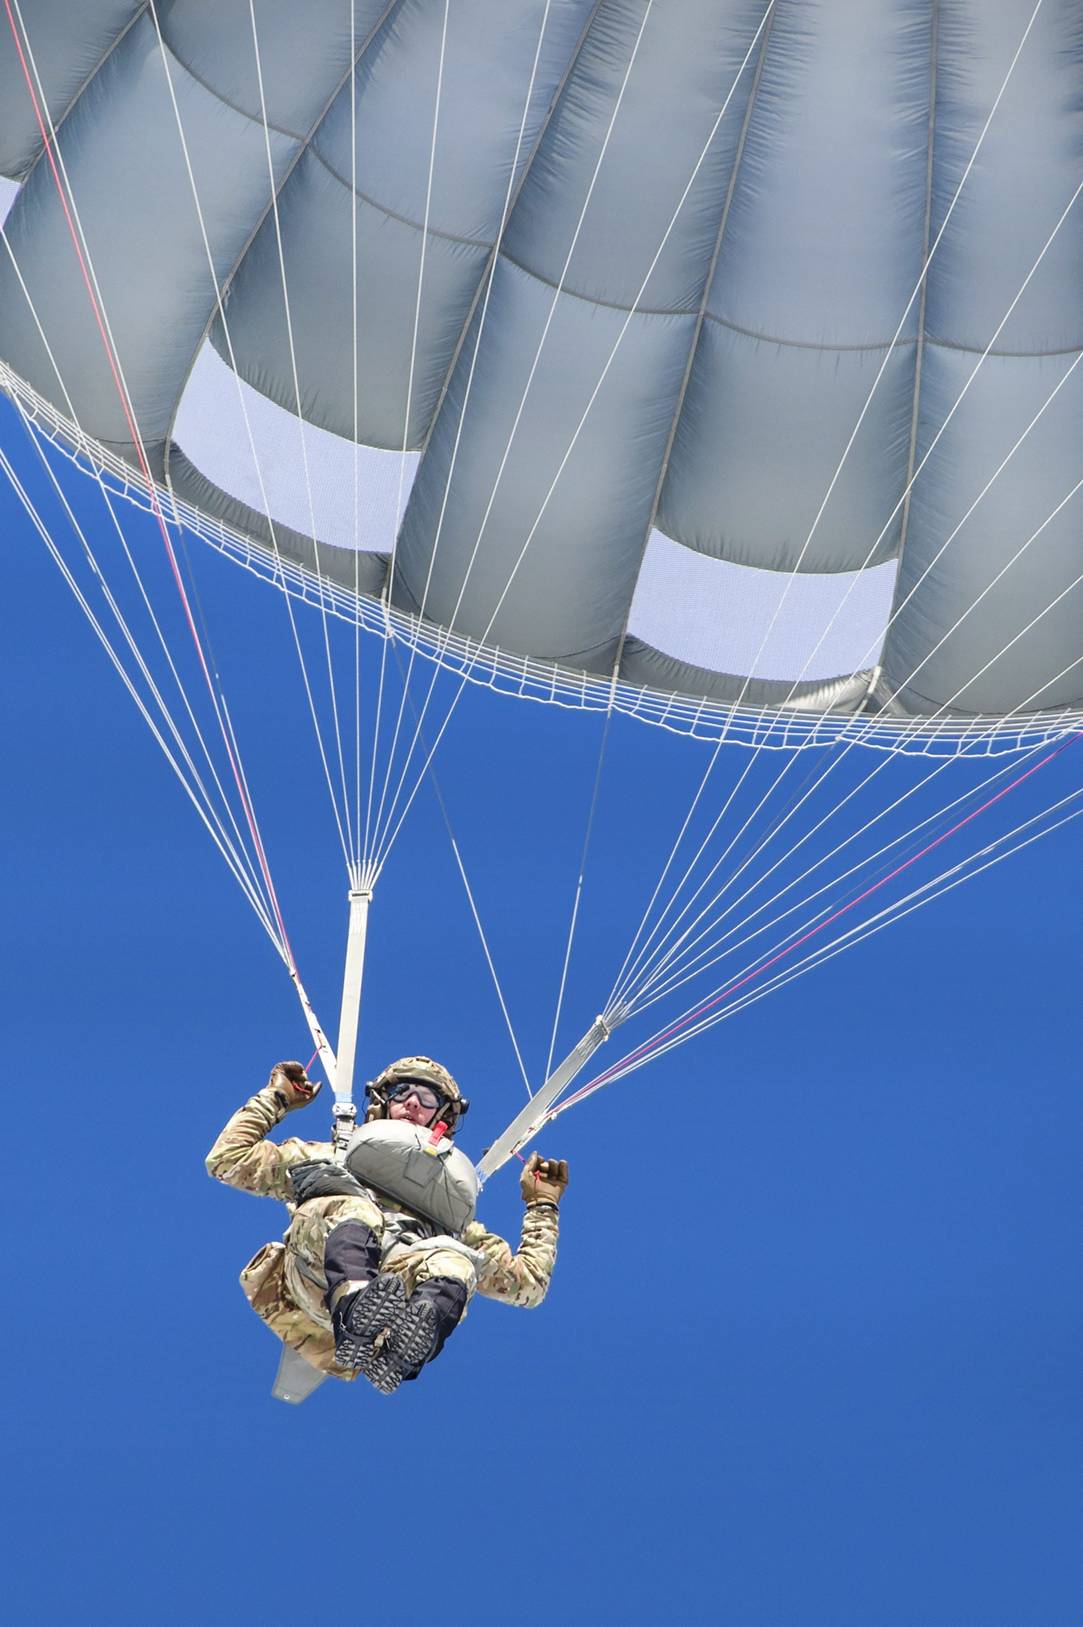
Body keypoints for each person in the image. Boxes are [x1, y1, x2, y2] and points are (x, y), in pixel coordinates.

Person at [206, 1057, 569, 1394]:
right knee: (357, 1210)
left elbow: (528, 1285)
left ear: (442, 1117)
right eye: (402, 1093)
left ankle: (402, 1351)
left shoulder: (452, 1220)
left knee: (455, 1263)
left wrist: (542, 1204)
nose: (413, 1103)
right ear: (382, 1102)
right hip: (314, 1277)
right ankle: (354, 1303)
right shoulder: (331, 1157)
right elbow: (227, 1160)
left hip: (388, 1302)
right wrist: (277, 1098)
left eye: (427, 1098)